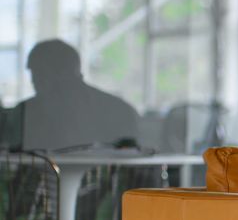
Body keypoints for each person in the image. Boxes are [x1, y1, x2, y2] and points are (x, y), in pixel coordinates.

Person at [4, 39, 138, 152]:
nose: (34, 81)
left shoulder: (117, 112)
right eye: (35, 74)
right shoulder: (23, 114)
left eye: (40, 74)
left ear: (67, 73)